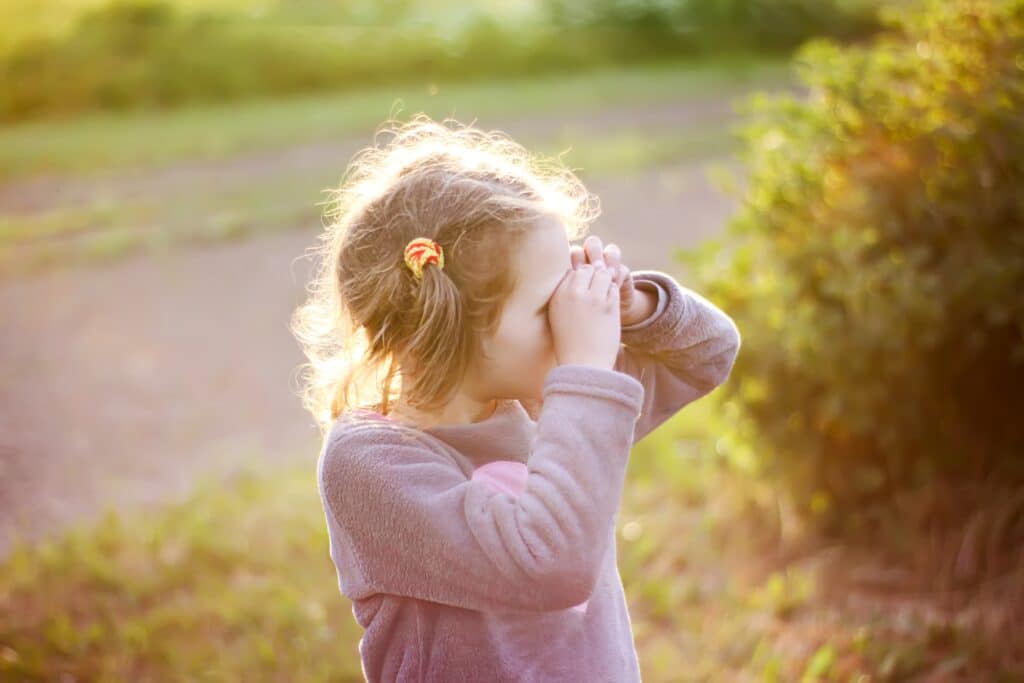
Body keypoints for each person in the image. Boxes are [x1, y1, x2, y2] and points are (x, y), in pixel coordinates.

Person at [290, 113, 741, 682]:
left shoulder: (538, 403)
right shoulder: (371, 466)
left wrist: (637, 309)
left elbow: (709, 353)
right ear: (454, 328)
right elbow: (552, 565)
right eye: (545, 304)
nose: (567, 313)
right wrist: (583, 370)